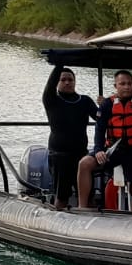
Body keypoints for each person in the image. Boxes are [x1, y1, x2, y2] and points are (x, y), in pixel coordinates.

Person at [79, 68, 132, 213]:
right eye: (123, 84)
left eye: (130, 84)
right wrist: (99, 149)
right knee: (85, 164)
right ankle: (83, 208)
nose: (127, 87)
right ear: (116, 86)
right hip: (115, 150)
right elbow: (99, 129)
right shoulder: (107, 104)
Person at [40, 64, 92, 210]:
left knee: (87, 194)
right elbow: (49, 86)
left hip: (81, 154)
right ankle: (57, 218)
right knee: (62, 195)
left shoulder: (85, 101)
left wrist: (105, 104)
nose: (67, 82)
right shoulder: (51, 100)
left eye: (70, 79)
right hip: (59, 155)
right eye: (63, 80)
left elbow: (102, 118)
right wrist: (59, 63)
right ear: (57, 82)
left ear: (75, 81)